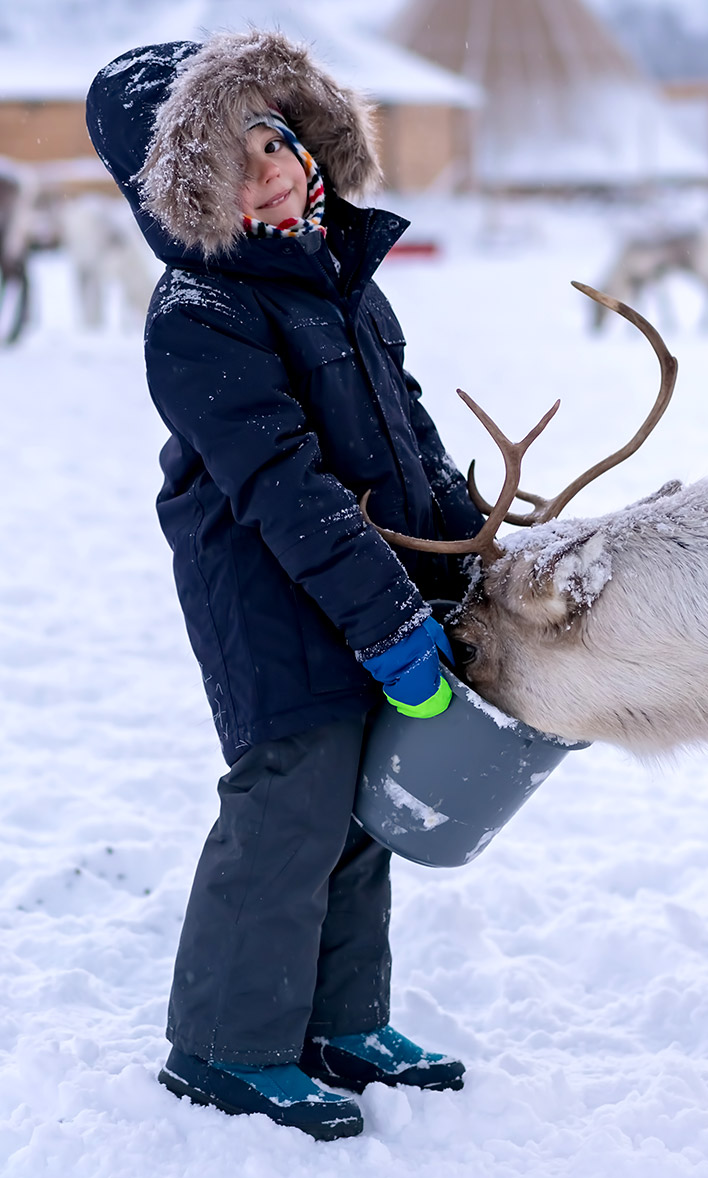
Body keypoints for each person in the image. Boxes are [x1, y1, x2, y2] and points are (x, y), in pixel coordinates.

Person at [86, 29, 483, 1140]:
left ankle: (341, 1020)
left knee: (359, 810)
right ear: (181, 195)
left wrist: (461, 547)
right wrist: (390, 621)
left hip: (362, 586)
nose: (267, 166)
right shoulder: (200, 313)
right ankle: (223, 1041)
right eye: (228, 160)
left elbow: (409, 431)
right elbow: (283, 484)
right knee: (291, 805)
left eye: (272, 136)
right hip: (265, 595)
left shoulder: (339, 278)